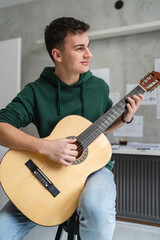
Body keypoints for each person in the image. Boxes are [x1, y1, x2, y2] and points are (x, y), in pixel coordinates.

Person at [0, 17, 144, 240]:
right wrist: (46, 147)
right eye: (80, 48)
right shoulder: (35, 91)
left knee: (96, 209)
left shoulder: (98, 87)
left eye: (88, 46)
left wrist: (125, 118)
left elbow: (101, 127)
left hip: (96, 169)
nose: (89, 54)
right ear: (57, 55)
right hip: (48, 171)